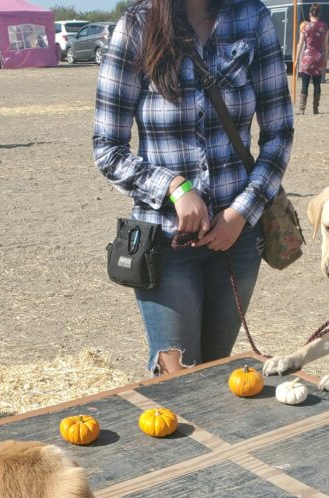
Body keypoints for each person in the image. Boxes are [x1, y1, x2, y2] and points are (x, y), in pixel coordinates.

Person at [93, 0, 292, 375]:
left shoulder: (252, 17)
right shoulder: (136, 27)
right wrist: (173, 186)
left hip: (238, 241)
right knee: (179, 379)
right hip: (165, 245)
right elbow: (107, 149)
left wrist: (242, 212)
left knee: (219, 373)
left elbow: (279, 133)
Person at [296, 2, 329, 115]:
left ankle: (302, 109)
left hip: (307, 58)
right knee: (317, 84)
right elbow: (326, 44)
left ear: (310, 13)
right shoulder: (324, 26)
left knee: (304, 85)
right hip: (319, 58)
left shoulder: (305, 26)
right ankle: (315, 109)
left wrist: (296, 59)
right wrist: (325, 58)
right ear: (319, 14)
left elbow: (300, 44)